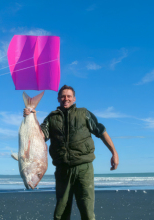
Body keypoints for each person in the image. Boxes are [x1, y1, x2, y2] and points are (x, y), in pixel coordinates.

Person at [23, 85, 119, 220]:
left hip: (83, 169)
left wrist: (114, 152)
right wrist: (31, 116)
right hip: (62, 169)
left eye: (69, 96)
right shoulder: (52, 118)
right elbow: (40, 136)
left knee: (87, 211)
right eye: (63, 96)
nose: (65, 99)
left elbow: (101, 131)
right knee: (61, 213)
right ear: (58, 99)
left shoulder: (84, 113)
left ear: (74, 99)